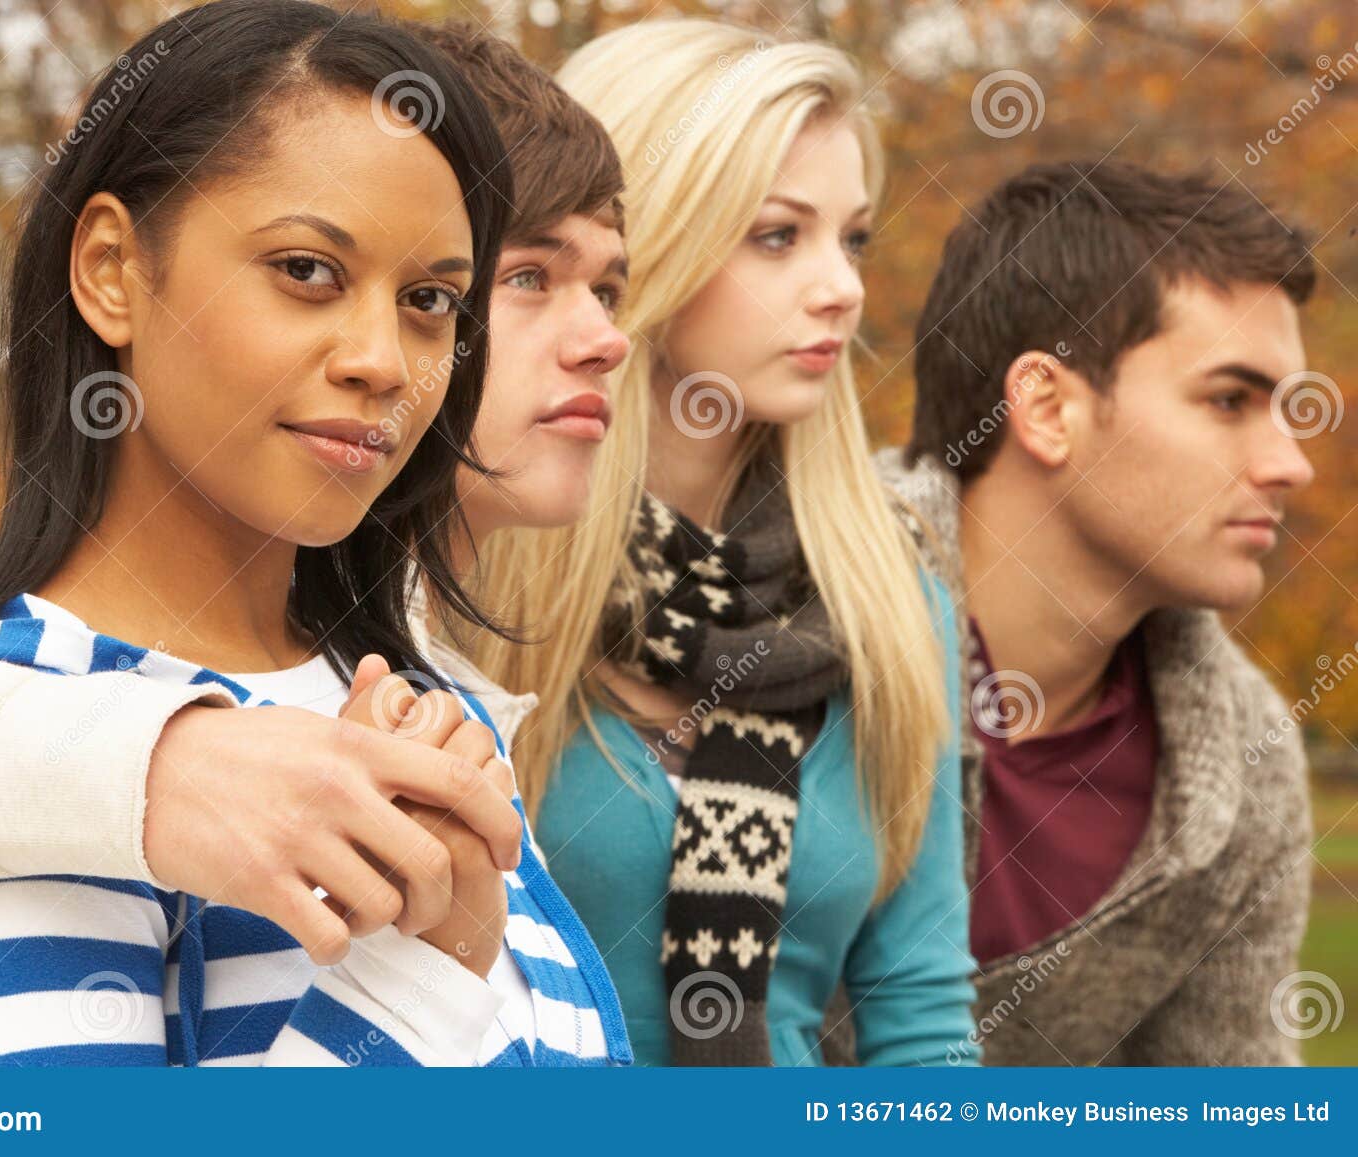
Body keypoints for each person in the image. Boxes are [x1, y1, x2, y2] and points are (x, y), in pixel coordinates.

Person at [0, 14, 622, 994]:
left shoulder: (432, 711)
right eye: (305, 270)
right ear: (110, 271)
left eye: (429, 301)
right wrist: (425, 971)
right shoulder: (0, 760)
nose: (382, 362)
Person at [465, 19, 979, 1067]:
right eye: (778, 234)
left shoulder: (886, 596)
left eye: (854, 238)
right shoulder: (464, 561)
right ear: (643, 243)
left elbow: (920, 1015)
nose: (841, 286)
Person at [873, 159, 1318, 1065]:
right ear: (1045, 407)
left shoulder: (1241, 766)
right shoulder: (778, 619)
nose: (1290, 464)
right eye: (1229, 400)